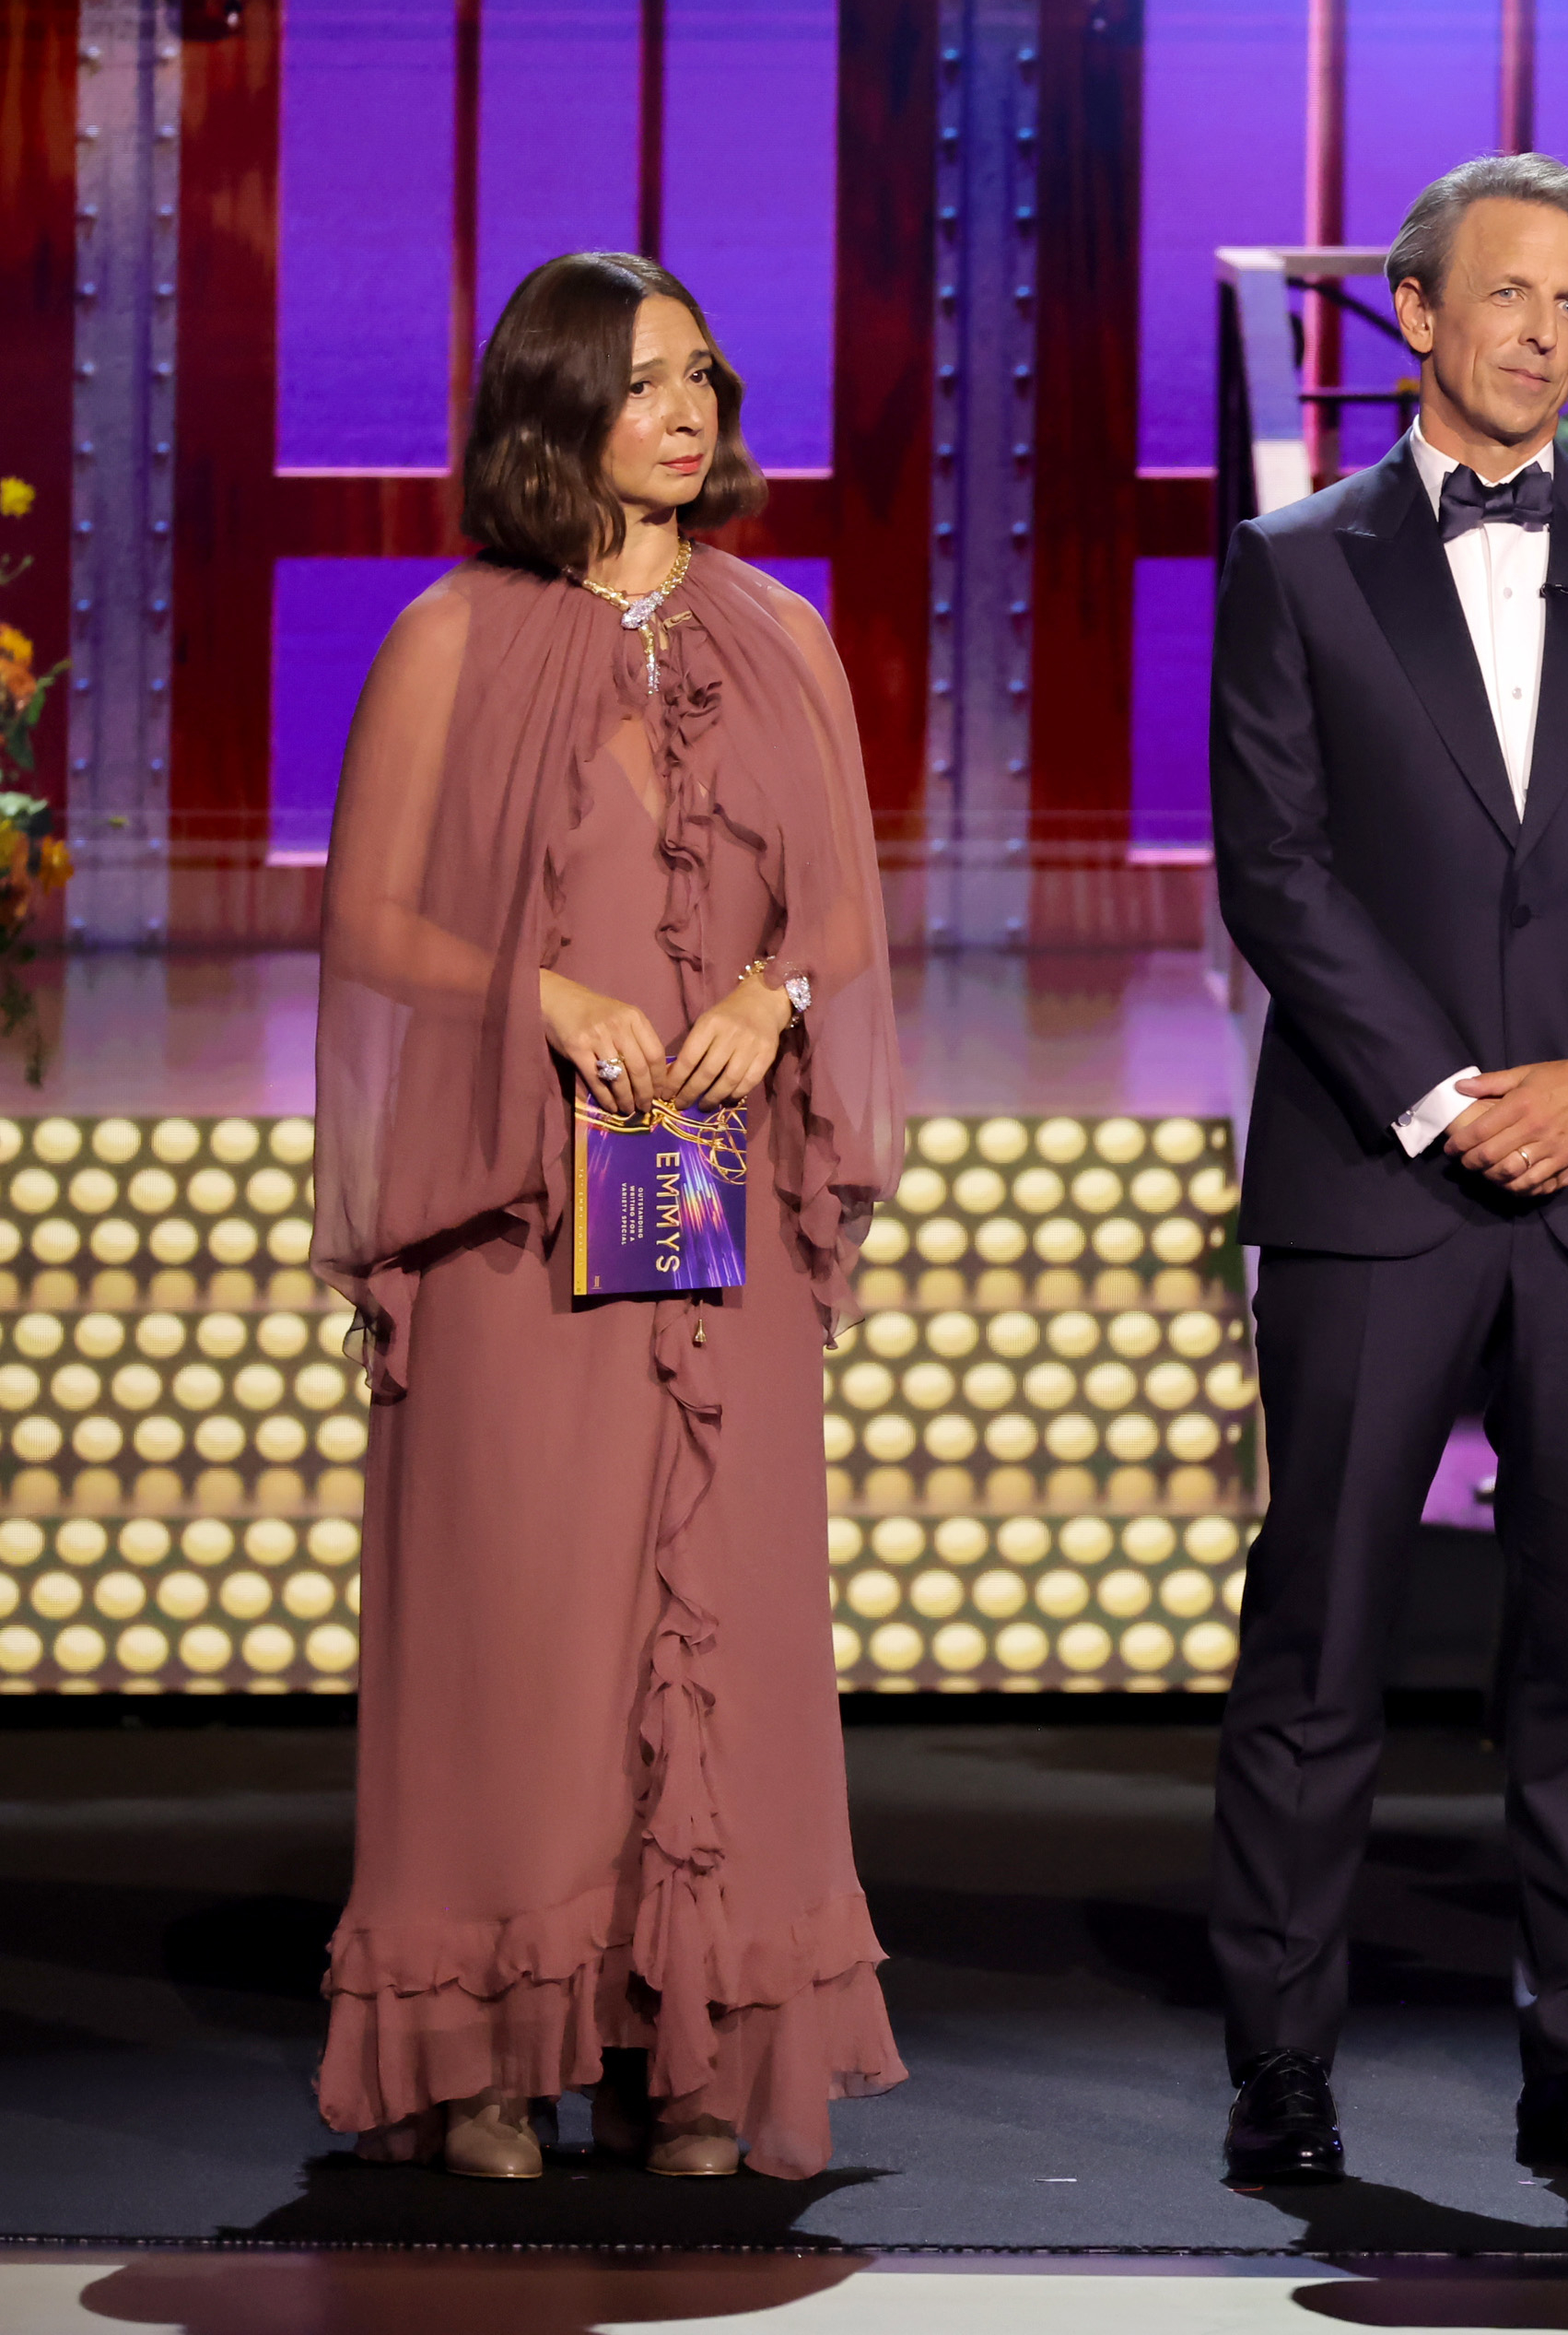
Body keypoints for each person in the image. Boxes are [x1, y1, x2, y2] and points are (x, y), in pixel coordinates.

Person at [1204, 154, 1568, 2187]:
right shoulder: (1297, 564)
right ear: (1419, 311)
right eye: (1511, 294)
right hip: (1381, 1173)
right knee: (1324, 1627)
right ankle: (1282, 2056)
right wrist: (1455, 1093)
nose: (1544, 331)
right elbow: (1275, 869)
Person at [310, 252, 906, 2180]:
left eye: (704, 376)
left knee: (718, 1627)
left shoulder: (780, 637)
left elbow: (838, 913)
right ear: (556, 406)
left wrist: (772, 997)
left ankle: (700, 2056)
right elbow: (373, 926)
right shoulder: (452, 644)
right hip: (515, 1224)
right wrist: (543, 1001)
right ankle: (490, 2050)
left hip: (713, 1221)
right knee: (521, 1631)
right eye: (647, 380)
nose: (690, 409)